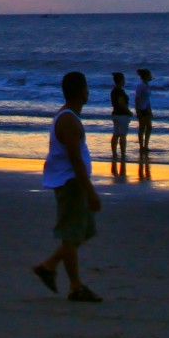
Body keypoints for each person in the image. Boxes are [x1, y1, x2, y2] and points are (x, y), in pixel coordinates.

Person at [32, 71, 103, 303]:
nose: (88, 91)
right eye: (86, 87)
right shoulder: (69, 120)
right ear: (81, 91)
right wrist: (90, 190)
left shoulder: (67, 116)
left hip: (71, 182)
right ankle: (75, 286)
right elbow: (75, 159)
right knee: (71, 233)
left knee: (82, 232)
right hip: (71, 184)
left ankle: (49, 265)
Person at [109, 72, 132, 164]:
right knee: (123, 135)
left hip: (115, 114)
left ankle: (114, 153)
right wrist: (128, 111)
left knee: (116, 134)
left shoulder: (113, 91)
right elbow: (121, 103)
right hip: (122, 115)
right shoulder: (120, 91)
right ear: (121, 80)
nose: (124, 81)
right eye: (123, 79)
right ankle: (122, 154)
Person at [134, 68, 155, 153]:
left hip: (146, 108)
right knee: (142, 127)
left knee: (149, 127)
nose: (151, 77)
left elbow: (147, 99)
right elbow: (137, 98)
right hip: (141, 108)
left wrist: (150, 109)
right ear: (146, 76)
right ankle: (142, 146)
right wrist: (137, 110)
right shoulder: (141, 86)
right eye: (150, 75)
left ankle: (145, 145)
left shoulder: (147, 85)